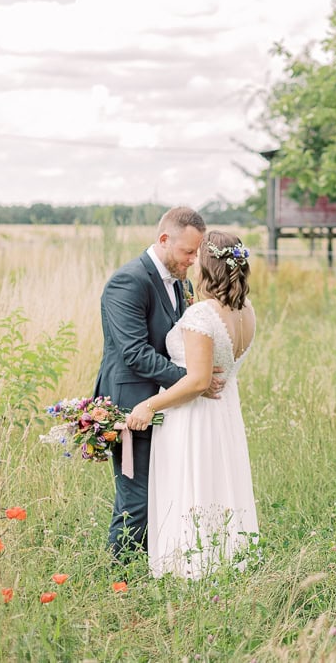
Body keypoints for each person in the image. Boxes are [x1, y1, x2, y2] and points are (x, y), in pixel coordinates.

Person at [125, 229, 259, 579]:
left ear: (208, 264)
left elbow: (198, 381)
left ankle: (188, 569)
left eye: (198, 255)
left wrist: (149, 405)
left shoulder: (202, 315)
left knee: (193, 484)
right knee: (217, 482)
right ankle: (221, 562)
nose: (192, 260)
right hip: (224, 411)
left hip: (194, 414)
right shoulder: (246, 311)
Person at [94, 207, 225, 558]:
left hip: (168, 404)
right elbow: (135, 352)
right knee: (136, 502)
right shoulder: (128, 281)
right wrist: (193, 380)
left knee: (164, 494)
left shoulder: (181, 281)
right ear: (164, 239)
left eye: (197, 252)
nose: (194, 260)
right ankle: (119, 580)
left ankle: (153, 570)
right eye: (188, 252)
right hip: (131, 405)